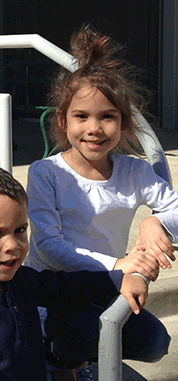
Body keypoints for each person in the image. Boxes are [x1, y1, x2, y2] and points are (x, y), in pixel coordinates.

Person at [25, 25, 177, 380]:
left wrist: (156, 222)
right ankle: (62, 361)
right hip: (52, 294)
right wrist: (119, 266)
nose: (94, 128)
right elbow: (48, 247)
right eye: (82, 116)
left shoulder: (133, 172)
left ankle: (78, 358)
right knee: (79, 335)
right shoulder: (46, 173)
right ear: (63, 120)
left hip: (102, 289)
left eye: (107, 116)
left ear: (123, 123)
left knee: (156, 341)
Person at [0, 163, 149, 380]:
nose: (12, 245)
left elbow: (65, 287)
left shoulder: (20, 279)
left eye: (19, 230)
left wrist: (116, 280)